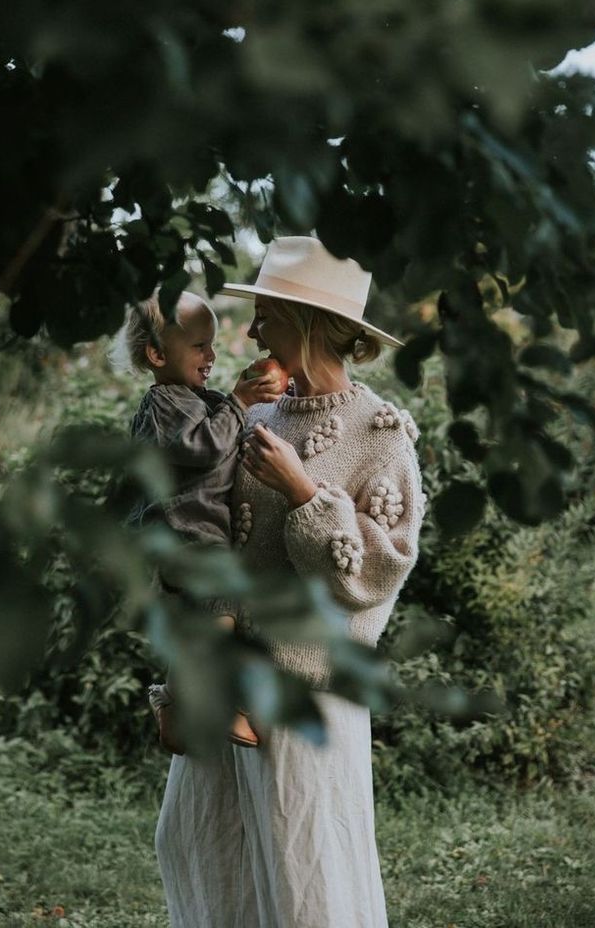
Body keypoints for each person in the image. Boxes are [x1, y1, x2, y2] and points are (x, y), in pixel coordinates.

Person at [155, 236, 425, 928]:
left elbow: (373, 577)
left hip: (305, 691)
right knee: (204, 849)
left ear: (308, 324)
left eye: (266, 317)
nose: (251, 333)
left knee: (305, 874)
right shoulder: (253, 414)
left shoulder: (382, 433)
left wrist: (306, 492)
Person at [123, 288, 283, 753]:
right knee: (224, 605)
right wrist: (237, 402)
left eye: (212, 345)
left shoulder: (190, 397)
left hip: (193, 534)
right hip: (182, 534)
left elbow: (219, 422)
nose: (211, 355)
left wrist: (245, 395)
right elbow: (207, 446)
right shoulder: (163, 403)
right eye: (199, 346)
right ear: (156, 353)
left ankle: (173, 711)